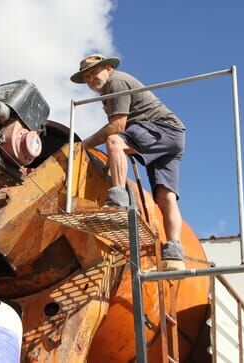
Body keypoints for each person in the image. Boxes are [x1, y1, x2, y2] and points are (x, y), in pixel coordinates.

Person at [70, 54, 186, 271]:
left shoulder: (116, 82)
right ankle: (174, 254)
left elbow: (117, 128)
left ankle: (118, 201)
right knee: (165, 196)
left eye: (94, 72)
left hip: (161, 129)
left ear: (108, 69)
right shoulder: (108, 91)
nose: (90, 79)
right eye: (86, 77)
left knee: (114, 140)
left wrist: (83, 146)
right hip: (172, 136)